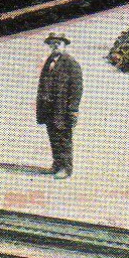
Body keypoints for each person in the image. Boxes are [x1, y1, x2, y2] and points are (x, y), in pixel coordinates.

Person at [35, 32, 83, 179]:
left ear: (65, 45)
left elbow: (76, 89)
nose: (55, 46)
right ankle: (57, 164)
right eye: (52, 43)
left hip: (63, 108)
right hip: (49, 107)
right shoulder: (50, 61)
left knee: (64, 137)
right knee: (53, 136)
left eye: (58, 43)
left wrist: (73, 110)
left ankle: (66, 168)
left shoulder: (71, 63)